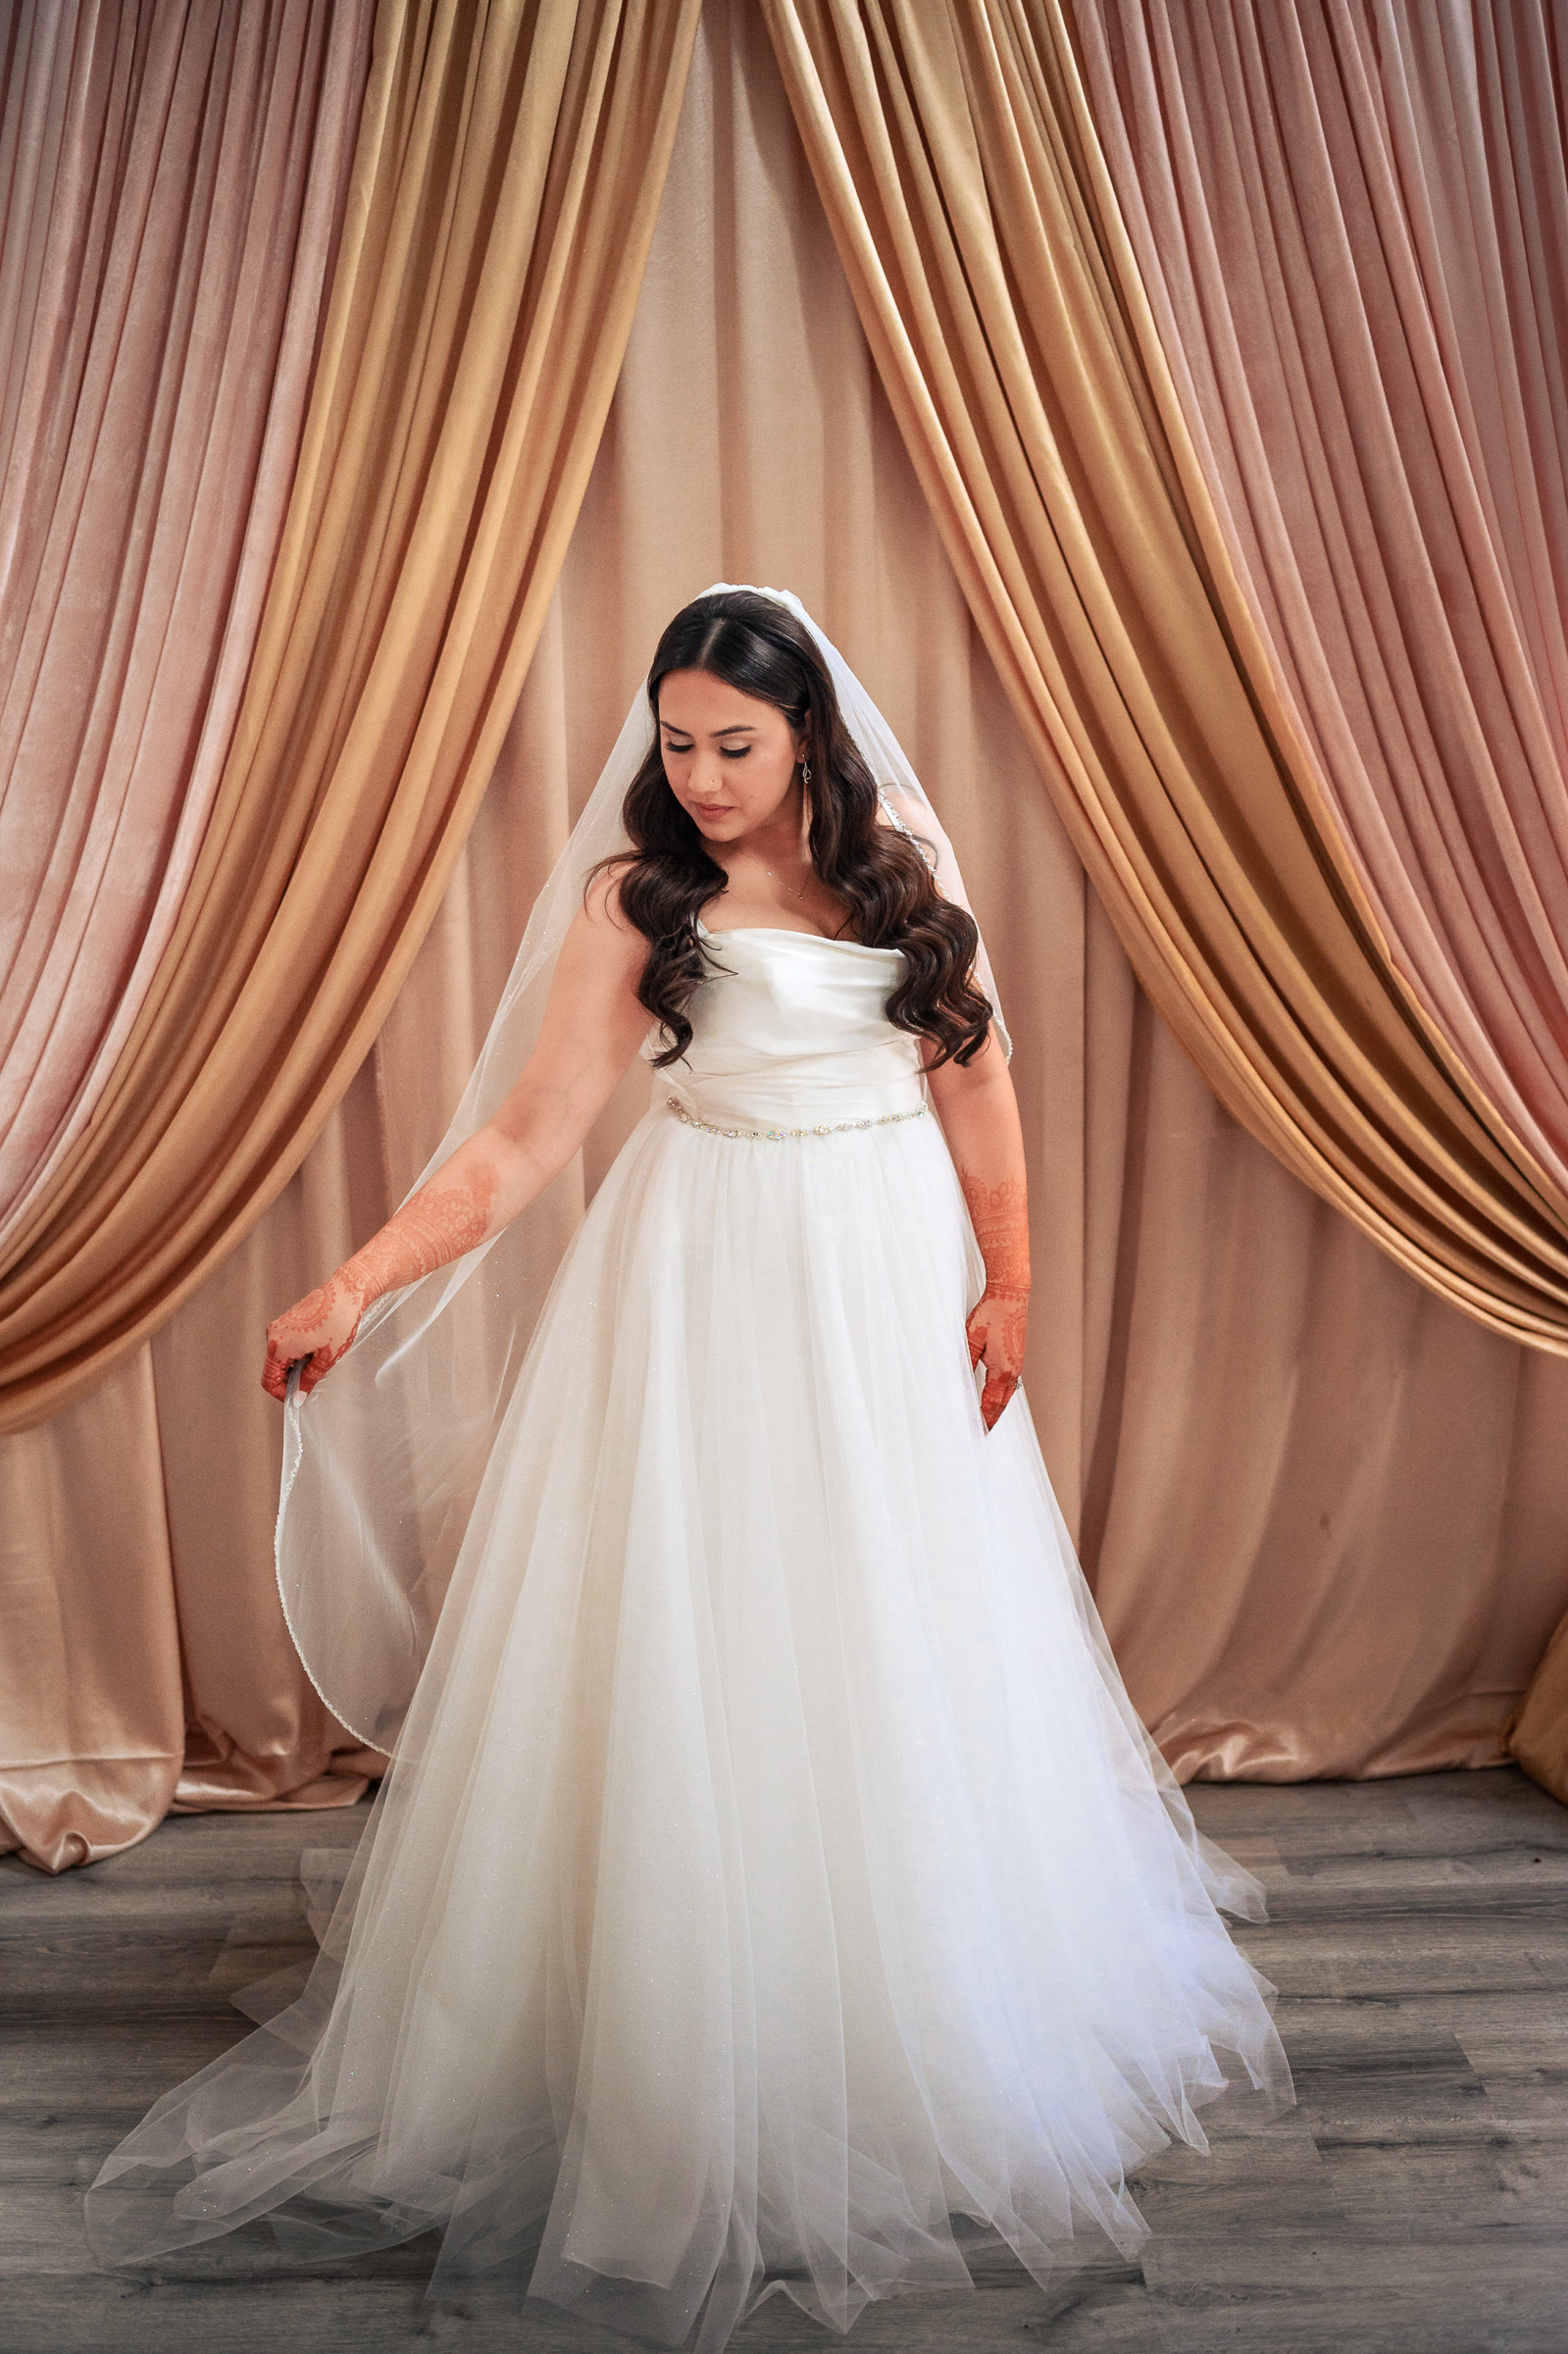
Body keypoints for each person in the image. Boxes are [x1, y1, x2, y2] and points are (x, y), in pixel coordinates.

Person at [87, 588, 1290, 2349]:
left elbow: (976, 1082)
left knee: (886, 1619)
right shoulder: (637, 901)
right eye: (675, 742)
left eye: (734, 742)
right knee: (697, 1623)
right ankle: (673, 2013)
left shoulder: (902, 874)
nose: (702, 775)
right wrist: (357, 1279)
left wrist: (1012, 1277)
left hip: (881, 1276)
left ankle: (884, 2001)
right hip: (705, 1267)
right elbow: (520, 1140)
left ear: (807, 732)